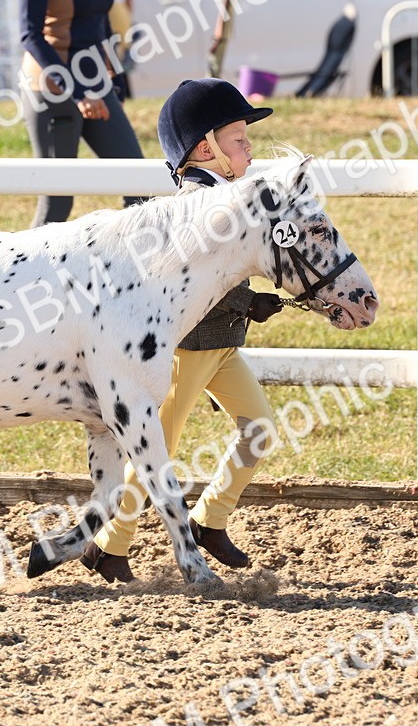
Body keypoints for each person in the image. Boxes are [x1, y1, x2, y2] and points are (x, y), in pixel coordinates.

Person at [82, 78, 285, 582]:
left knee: (258, 428)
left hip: (222, 346)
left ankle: (209, 519)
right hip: (186, 348)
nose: (249, 148)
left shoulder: (229, 198)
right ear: (205, 149)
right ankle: (109, 545)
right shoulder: (196, 203)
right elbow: (200, 272)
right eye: (239, 139)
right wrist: (248, 298)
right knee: (155, 450)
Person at [17, 0, 146, 228]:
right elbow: (29, 34)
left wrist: (115, 80)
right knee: (58, 203)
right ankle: (18, 274)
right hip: (52, 89)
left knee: (141, 187)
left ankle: (131, 270)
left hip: (95, 83)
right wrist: (75, 92)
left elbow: (102, 21)